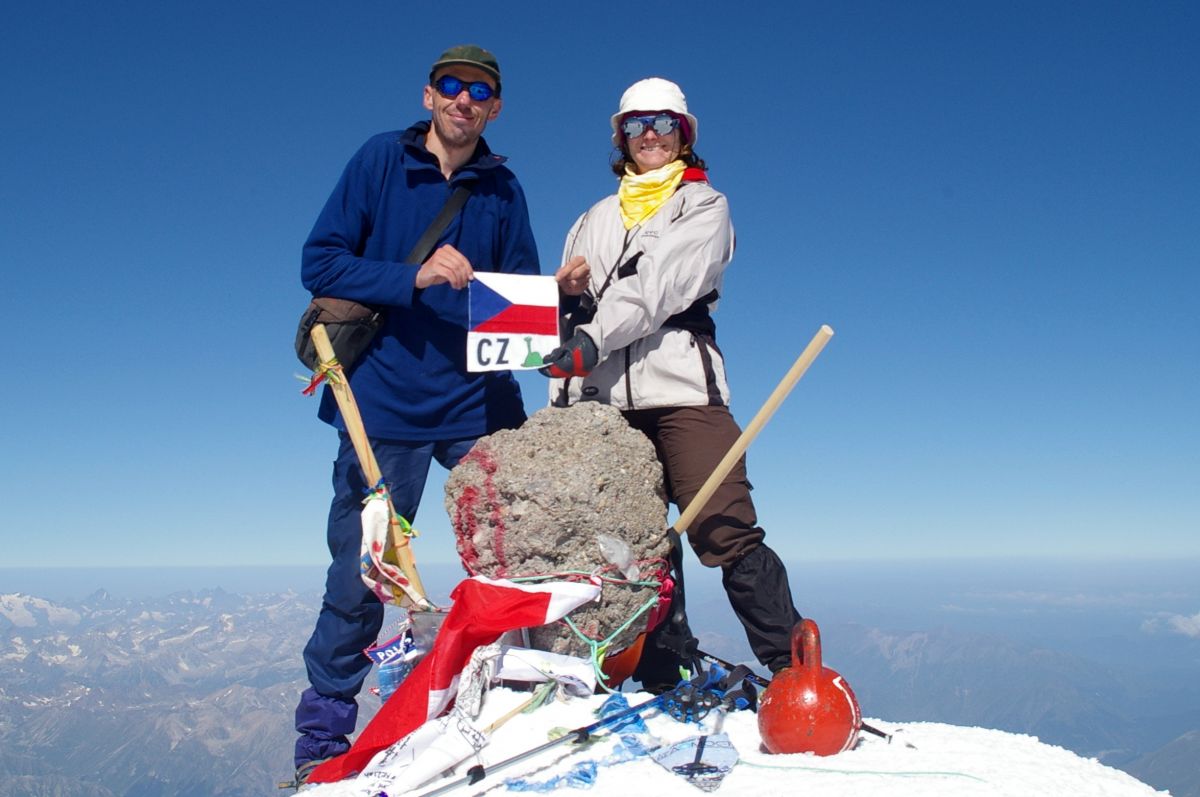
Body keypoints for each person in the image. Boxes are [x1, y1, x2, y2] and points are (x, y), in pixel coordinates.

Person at [292, 45, 549, 786]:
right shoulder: (381, 160)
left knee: (512, 552)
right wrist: (414, 274)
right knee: (363, 569)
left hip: (476, 400)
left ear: (494, 109)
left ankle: (522, 690)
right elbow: (322, 262)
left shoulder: (502, 188)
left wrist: (552, 292)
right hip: (383, 404)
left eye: (481, 92)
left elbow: (517, 295)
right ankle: (325, 730)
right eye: (452, 86)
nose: (464, 100)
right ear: (430, 94)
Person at [542, 77, 803, 690]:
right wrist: (563, 302)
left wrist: (588, 339)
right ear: (621, 137)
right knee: (629, 544)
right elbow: (569, 317)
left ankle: (795, 674)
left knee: (724, 525)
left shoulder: (703, 205)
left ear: (684, 133)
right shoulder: (590, 219)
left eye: (663, 122)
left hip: (683, 388)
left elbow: (660, 286)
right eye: (635, 124)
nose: (649, 133)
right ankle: (663, 670)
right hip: (601, 399)